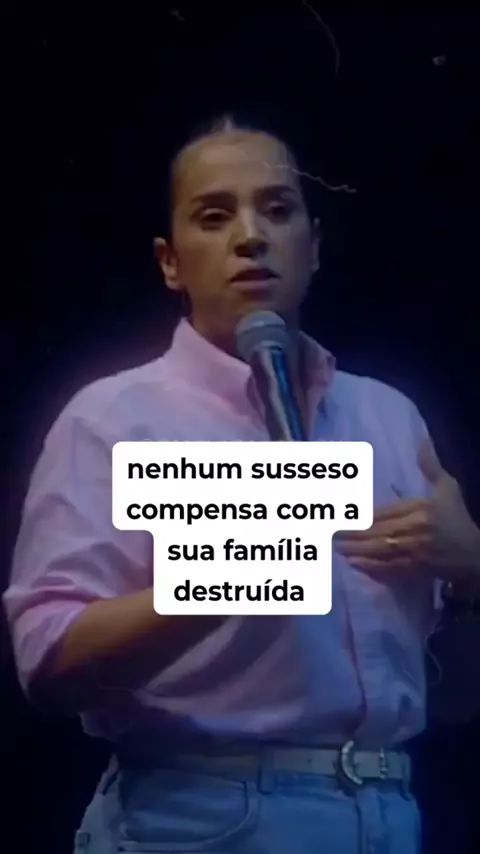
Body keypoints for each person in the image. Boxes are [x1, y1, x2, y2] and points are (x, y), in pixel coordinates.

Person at [4, 112, 480, 854]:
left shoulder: (389, 416)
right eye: (214, 215)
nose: (250, 236)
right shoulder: (115, 418)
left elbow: (455, 702)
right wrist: (235, 570)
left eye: (277, 210)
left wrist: (473, 572)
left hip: (388, 809)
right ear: (170, 262)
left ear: (314, 247)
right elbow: (47, 662)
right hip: (201, 816)